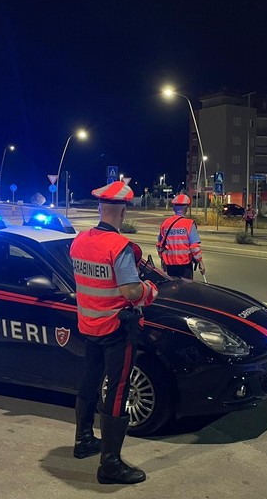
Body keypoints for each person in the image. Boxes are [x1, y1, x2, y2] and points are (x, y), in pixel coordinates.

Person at [70, 180, 158, 485]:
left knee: (89, 380)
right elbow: (131, 290)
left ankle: (83, 441)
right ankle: (110, 464)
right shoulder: (119, 247)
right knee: (118, 390)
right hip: (116, 329)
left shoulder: (79, 241)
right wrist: (149, 290)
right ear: (122, 212)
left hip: (88, 325)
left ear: (99, 208)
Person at [156, 194, 205, 279]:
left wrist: (162, 260)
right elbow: (194, 247)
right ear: (186, 208)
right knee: (186, 291)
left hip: (170, 266)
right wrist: (200, 263)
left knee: (174, 289)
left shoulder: (165, 224)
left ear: (174, 208)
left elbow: (160, 245)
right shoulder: (189, 224)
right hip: (185, 266)